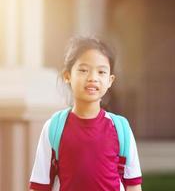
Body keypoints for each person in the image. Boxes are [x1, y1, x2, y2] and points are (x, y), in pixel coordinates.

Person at [29, 36, 142, 191]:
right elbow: (39, 186)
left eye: (101, 72)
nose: (93, 78)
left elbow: (133, 186)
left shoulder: (120, 128)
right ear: (67, 76)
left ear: (110, 80)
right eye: (83, 70)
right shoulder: (54, 128)